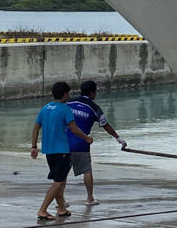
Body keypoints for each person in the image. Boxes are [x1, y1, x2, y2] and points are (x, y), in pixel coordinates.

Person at [31, 81, 93, 221]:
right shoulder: (65, 109)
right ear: (65, 94)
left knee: (58, 179)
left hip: (48, 150)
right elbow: (74, 129)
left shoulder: (45, 108)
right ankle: (42, 210)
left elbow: (35, 128)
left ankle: (62, 209)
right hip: (62, 151)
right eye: (68, 93)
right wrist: (86, 138)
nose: (69, 95)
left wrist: (34, 146)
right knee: (58, 182)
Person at [65, 80, 127, 206]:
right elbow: (106, 125)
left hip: (63, 142)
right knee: (87, 171)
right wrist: (118, 138)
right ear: (92, 93)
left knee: (63, 172)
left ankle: (61, 201)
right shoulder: (94, 108)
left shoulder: (68, 102)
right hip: (81, 144)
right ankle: (89, 198)